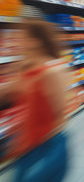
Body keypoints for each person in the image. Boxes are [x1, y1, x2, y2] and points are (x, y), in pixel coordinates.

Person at [0, 18, 69, 182]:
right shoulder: (25, 69)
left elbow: (60, 117)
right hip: (25, 149)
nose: (16, 41)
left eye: (22, 37)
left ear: (35, 42)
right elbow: (6, 93)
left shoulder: (52, 71)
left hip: (47, 149)